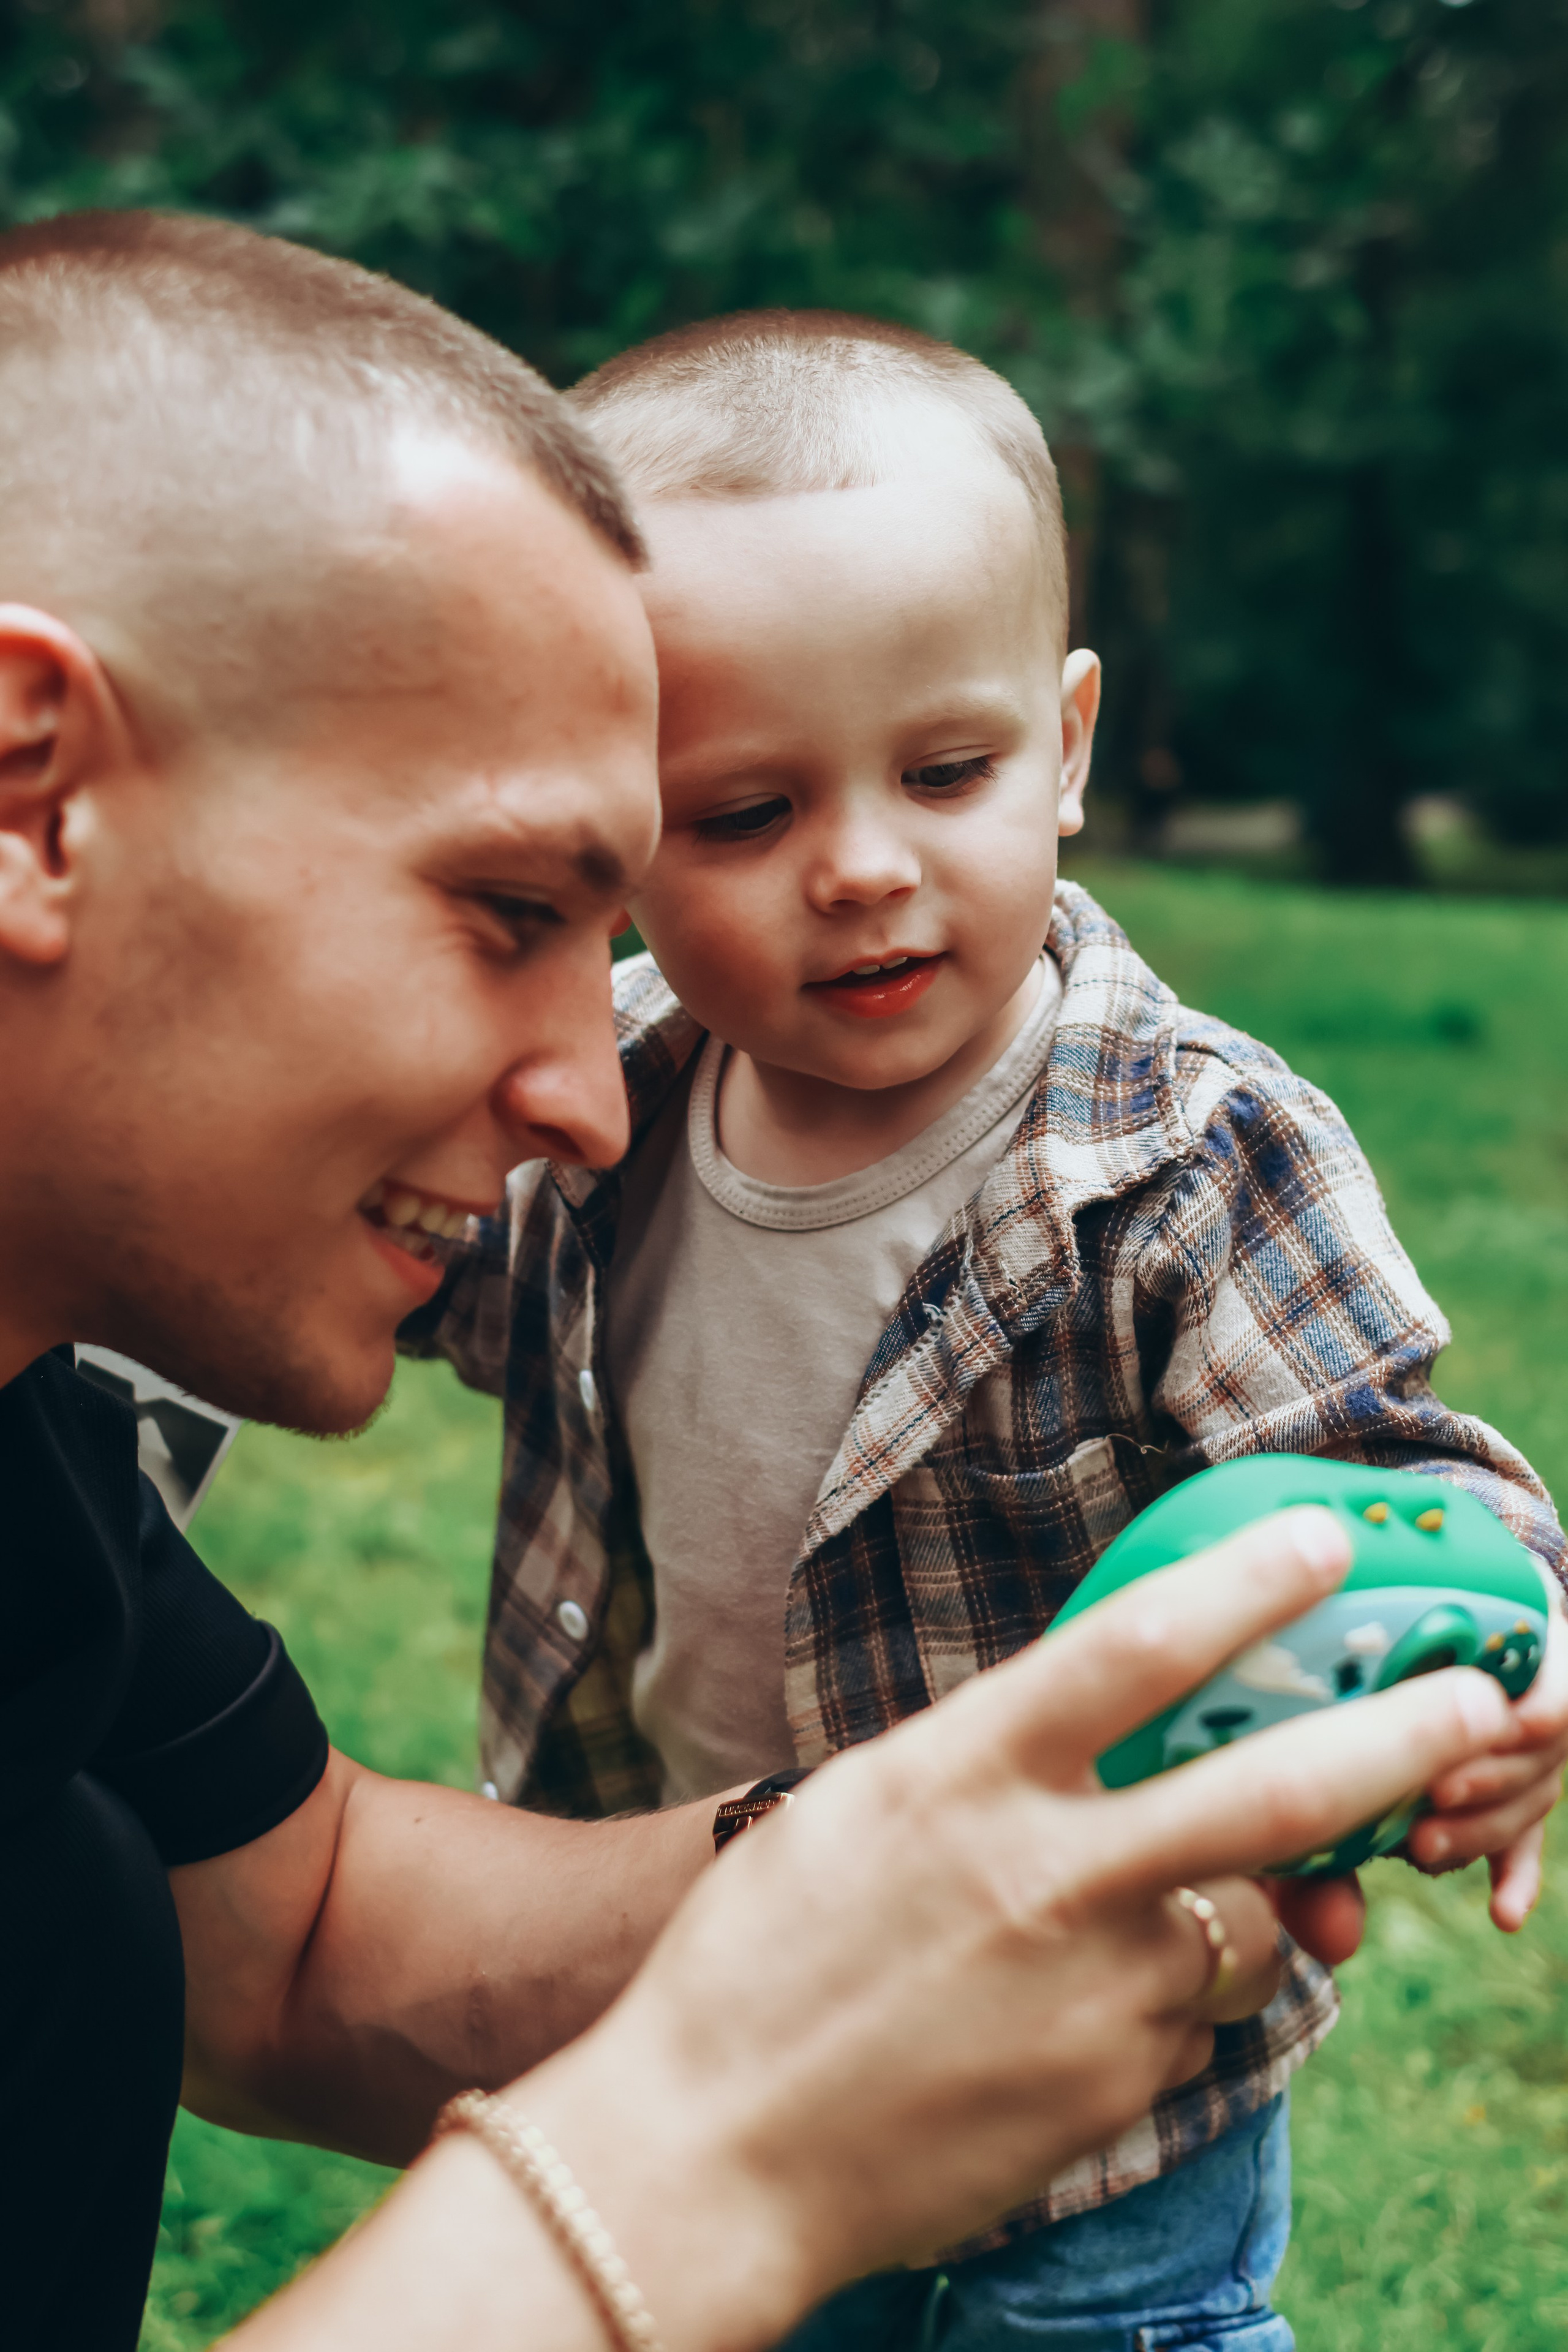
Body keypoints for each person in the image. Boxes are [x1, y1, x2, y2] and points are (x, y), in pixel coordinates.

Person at [0, 208, 1517, 2352]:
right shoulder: (652, 1108)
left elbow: (304, 1934)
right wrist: (694, 2168)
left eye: (948, 771)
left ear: (1066, 740)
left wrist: (891, 1880)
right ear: (31, 797)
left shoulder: (41, 1489)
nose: (589, 1104)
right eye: (512, 905)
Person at [404, 311, 1568, 2352]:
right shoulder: (599, 1112)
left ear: (1071, 743)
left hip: (1110, 2033)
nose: (865, 868)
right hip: (725, 1974)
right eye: (741, 815)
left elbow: (1405, 1487)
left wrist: (1515, 1659)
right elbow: (373, 1259)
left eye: (948, 773)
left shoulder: (1188, 1156)